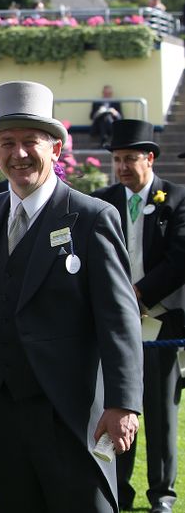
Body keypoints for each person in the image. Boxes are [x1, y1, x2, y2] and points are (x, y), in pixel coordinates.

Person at [0, 81, 143, 512]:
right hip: (4, 419)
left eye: (31, 141)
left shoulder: (91, 217)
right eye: (7, 142)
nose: (19, 153)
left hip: (73, 415)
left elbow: (119, 317)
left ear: (56, 149)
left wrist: (123, 403)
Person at [92, 119, 185, 513]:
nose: (123, 167)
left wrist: (138, 295)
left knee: (162, 411)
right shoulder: (101, 200)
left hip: (161, 319)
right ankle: (120, 488)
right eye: (117, 159)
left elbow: (180, 259)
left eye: (130, 158)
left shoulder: (176, 198)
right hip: (114, 325)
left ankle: (161, 494)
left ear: (149, 158)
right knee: (117, 404)